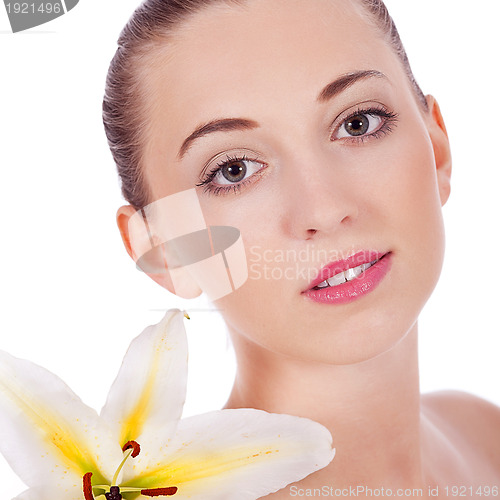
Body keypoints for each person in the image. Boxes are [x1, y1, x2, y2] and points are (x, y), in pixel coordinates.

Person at [103, 0, 500, 497]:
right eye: (235, 171)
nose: (325, 210)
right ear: (161, 249)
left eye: (359, 123)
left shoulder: (487, 435)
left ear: (437, 146)